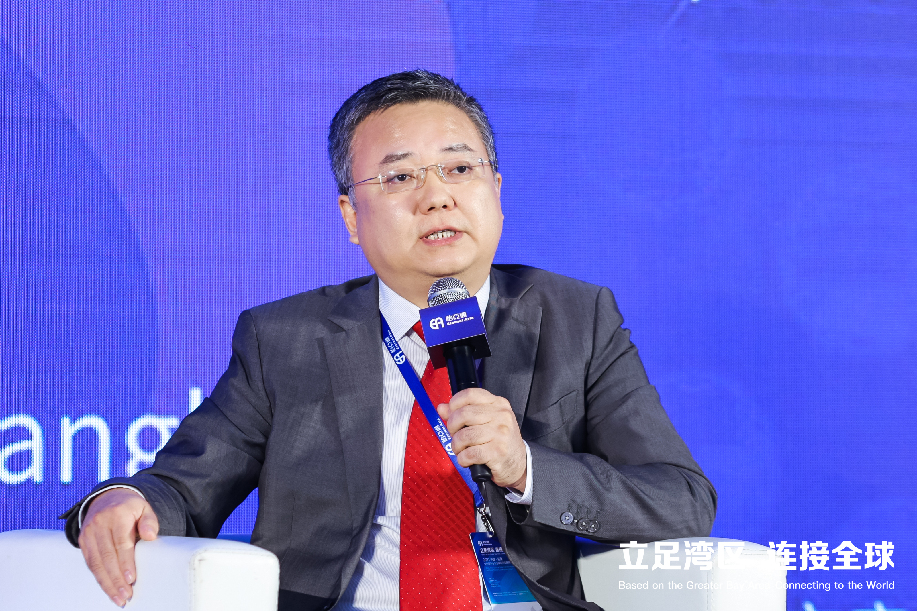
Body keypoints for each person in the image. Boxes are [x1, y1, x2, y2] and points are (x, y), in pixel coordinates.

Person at [62, 70, 716, 611]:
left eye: (459, 168)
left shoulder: (578, 317)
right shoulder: (283, 338)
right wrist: (126, 499)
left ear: (496, 191)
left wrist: (526, 468)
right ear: (351, 215)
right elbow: (184, 488)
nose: (437, 197)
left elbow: (680, 499)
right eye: (400, 177)